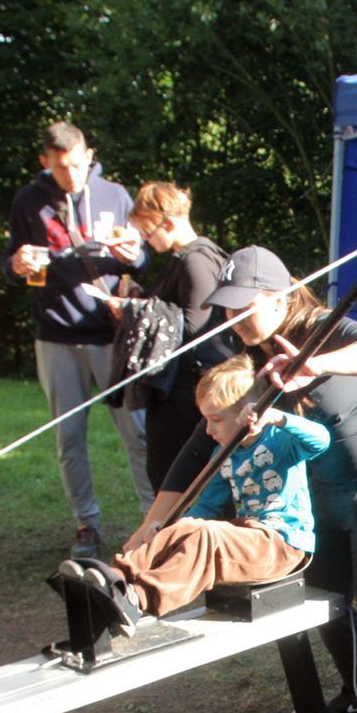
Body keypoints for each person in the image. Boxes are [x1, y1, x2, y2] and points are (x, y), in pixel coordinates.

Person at [127, 245, 357, 713]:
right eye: (226, 308)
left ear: (278, 297)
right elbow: (200, 444)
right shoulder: (246, 352)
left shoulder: (323, 327)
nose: (232, 319)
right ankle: (354, 697)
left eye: (243, 306)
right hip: (316, 496)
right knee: (327, 603)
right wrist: (152, 526)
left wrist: (314, 365)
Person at [53, 356, 327, 630]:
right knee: (186, 526)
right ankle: (112, 580)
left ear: (246, 412)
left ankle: (137, 599)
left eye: (216, 420)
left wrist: (278, 418)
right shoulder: (224, 455)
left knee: (208, 535)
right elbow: (205, 508)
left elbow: (321, 439)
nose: (208, 430)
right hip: (248, 536)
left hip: (284, 545)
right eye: (206, 420)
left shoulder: (283, 442)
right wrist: (168, 530)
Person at [4, 121, 152, 560]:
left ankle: (153, 519)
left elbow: (141, 256)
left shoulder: (114, 195)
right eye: (62, 167)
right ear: (45, 163)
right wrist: (16, 263)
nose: (72, 175)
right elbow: (10, 262)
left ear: (90, 154)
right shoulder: (29, 202)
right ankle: (86, 524)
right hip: (56, 335)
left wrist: (134, 255)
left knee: (137, 432)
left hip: (110, 331)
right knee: (69, 437)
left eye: (78, 164)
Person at [111, 182, 227, 496]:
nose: (146, 240)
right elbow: (171, 309)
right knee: (162, 472)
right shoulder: (181, 259)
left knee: (174, 478)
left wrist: (131, 311)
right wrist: (139, 298)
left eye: (148, 232)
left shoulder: (197, 260)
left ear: (170, 222)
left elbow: (196, 328)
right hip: (175, 392)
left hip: (187, 394)